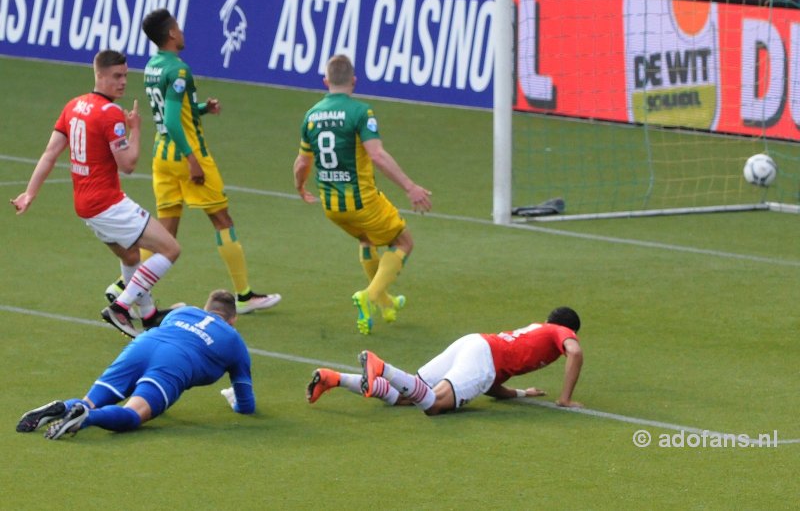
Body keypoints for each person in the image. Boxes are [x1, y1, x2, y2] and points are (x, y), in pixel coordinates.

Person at [104, 8, 280, 315]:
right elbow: (172, 118)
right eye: (178, 28)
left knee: (165, 232)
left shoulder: (153, 66)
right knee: (222, 220)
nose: (182, 32)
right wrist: (192, 160)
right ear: (172, 33)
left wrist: (200, 108)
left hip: (162, 157)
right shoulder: (179, 70)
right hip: (187, 155)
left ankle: (122, 285)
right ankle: (244, 295)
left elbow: (169, 109)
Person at [10, 50, 180, 339]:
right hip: (108, 203)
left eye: (125, 75)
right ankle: (122, 307)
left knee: (130, 256)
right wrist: (136, 129)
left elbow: (50, 153)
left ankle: (148, 314)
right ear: (99, 75)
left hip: (85, 205)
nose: (123, 82)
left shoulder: (74, 105)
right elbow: (128, 165)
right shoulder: (111, 113)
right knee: (171, 249)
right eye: (117, 76)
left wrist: (30, 193)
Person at [293, 54, 432, 335]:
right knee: (403, 242)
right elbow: (377, 155)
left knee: (367, 240)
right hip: (362, 200)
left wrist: (300, 186)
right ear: (354, 81)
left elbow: (302, 163)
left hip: (331, 205)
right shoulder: (360, 112)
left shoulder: (311, 115)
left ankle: (385, 303)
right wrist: (410, 187)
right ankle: (369, 296)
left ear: (326, 81)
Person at [16, 289, 255, 440]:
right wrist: (235, 401)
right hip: (175, 362)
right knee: (133, 414)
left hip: (143, 345)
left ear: (206, 308)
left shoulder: (184, 313)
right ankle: (87, 418)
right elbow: (246, 404)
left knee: (89, 400)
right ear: (232, 319)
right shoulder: (234, 340)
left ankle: (66, 407)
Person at [306, 306, 584, 414]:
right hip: (484, 357)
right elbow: (575, 352)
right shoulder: (558, 330)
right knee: (434, 405)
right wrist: (565, 398)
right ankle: (382, 367)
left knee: (407, 395)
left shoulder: (531, 337)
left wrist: (521, 393)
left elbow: (490, 386)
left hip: (474, 344)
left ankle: (335, 379)